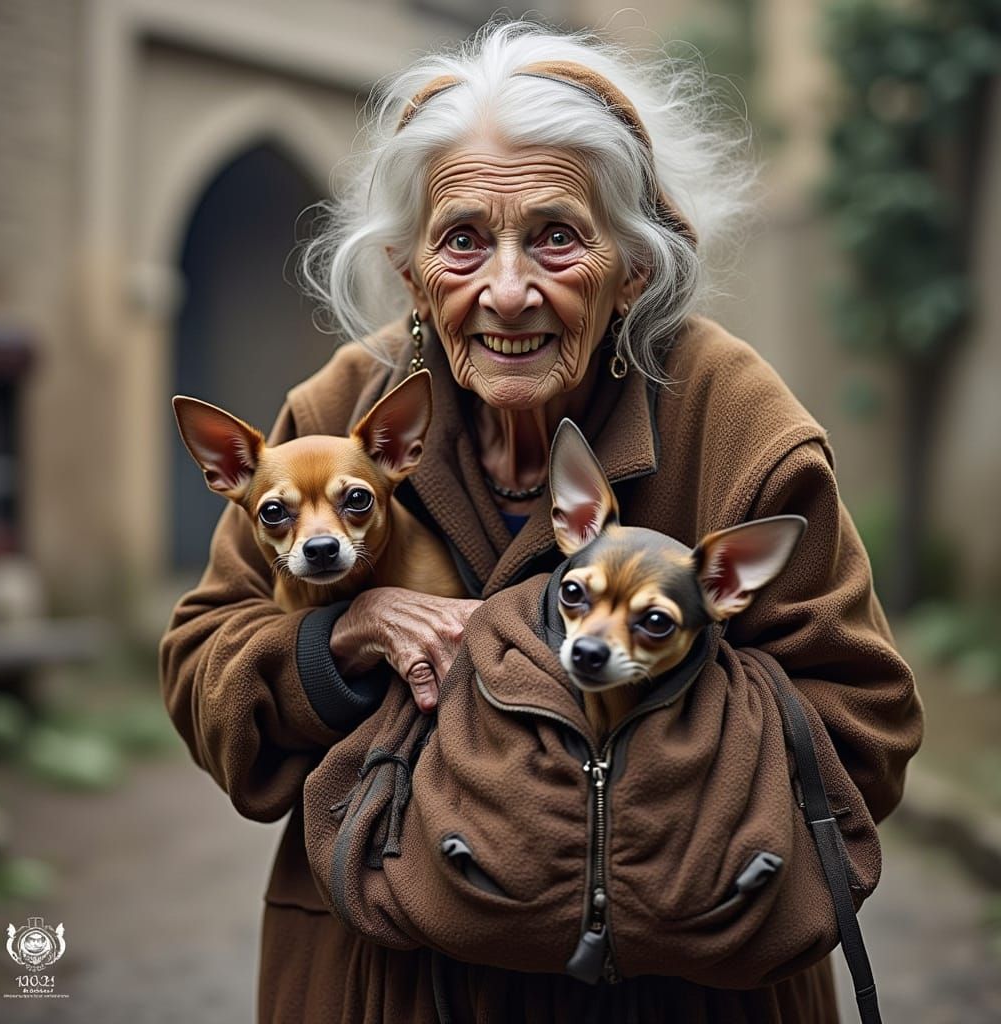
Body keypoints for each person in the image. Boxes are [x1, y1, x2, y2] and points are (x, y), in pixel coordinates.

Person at [159, 21, 923, 1023]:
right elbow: (204, 671)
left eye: (556, 236)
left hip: (680, 986)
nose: (506, 289)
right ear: (410, 272)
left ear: (634, 268)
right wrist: (344, 631)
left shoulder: (737, 423)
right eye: (463, 239)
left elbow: (863, 726)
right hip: (385, 980)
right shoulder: (339, 411)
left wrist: (612, 712)